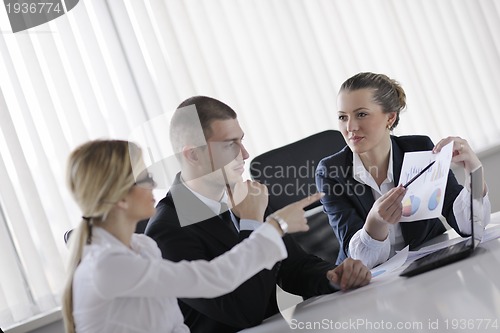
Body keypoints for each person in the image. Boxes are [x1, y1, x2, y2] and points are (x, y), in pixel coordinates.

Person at [62, 140, 339, 333]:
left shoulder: (142, 247)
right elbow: (214, 278)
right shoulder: (107, 265)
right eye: (145, 178)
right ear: (120, 197)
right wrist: (271, 225)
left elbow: (175, 326)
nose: (155, 184)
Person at [145, 96, 371, 333]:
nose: (244, 154)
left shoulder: (245, 195)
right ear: (193, 155)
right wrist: (251, 224)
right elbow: (243, 311)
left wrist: (333, 276)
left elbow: (293, 267)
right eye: (229, 144)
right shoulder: (166, 232)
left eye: (241, 141)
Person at [315, 72, 491, 269]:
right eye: (342, 117)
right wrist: (375, 223)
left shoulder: (419, 148)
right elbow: (360, 260)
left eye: (361, 114)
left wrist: (474, 173)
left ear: (390, 117)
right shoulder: (331, 172)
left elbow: (470, 226)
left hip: (428, 266)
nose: (350, 127)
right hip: (369, 283)